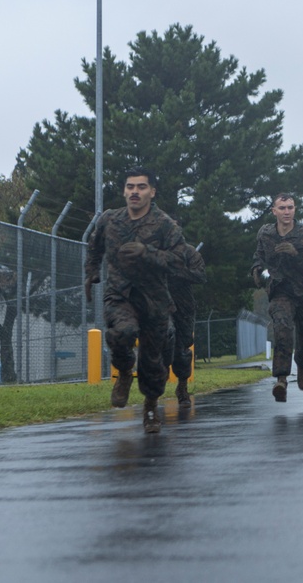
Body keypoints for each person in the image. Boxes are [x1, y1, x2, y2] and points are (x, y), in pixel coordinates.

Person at [85, 166, 186, 434]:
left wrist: (148, 252)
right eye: (130, 187)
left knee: (153, 360)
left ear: (152, 192)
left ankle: (151, 406)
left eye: (141, 187)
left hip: (153, 299)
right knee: (121, 332)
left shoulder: (165, 225)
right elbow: (94, 247)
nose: (134, 192)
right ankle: (124, 372)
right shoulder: (110, 220)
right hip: (119, 293)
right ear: (123, 190)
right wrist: (91, 273)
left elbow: (179, 261)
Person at [251, 193, 303, 403]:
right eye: (282, 208)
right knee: (282, 329)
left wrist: (297, 253)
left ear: (295, 210)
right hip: (280, 291)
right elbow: (259, 255)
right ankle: (281, 379)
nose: (286, 212)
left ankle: (302, 365)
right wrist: (256, 269)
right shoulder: (266, 233)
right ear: (274, 211)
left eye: (290, 208)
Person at [168, 241, 207, 407]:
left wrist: (180, 271)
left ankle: (182, 387)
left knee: (182, 348)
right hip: (160, 303)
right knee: (164, 337)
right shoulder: (153, 249)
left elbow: (200, 276)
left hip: (183, 306)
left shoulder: (190, 252)